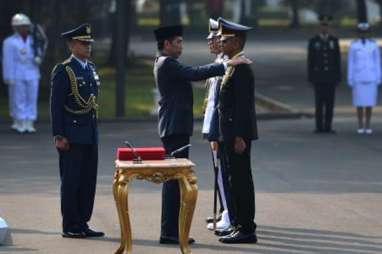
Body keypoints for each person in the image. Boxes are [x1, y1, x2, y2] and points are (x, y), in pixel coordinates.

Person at [153, 24, 250, 245]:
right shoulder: (166, 63)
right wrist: (226, 64)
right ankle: (169, 232)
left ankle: (172, 230)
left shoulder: (166, 62)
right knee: (174, 180)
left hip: (175, 127)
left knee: (177, 180)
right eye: (177, 42)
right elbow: (194, 74)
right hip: (174, 128)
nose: (181, 46)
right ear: (166, 44)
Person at [50, 23, 103, 238]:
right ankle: (70, 225)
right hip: (71, 135)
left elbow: (91, 102)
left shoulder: (90, 68)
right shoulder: (64, 70)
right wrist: (58, 134)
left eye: (89, 43)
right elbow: (56, 105)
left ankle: (82, 222)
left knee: (87, 180)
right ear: (72, 45)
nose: (88, 47)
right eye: (83, 43)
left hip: (89, 132)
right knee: (71, 181)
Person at [216, 17, 258, 244]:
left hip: (238, 135)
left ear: (238, 41)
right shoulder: (232, 64)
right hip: (230, 133)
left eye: (226, 39)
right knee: (234, 180)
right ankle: (239, 224)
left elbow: (243, 106)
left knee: (241, 181)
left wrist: (240, 135)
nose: (221, 43)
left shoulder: (241, 68)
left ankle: (247, 229)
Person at [202, 18, 232, 233]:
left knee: (223, 172)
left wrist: (215, 131)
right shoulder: (219, 62)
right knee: (218, 172)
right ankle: (225, 210)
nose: (210, 43)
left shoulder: (225, 64)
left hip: (219, 128)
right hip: (212, 125)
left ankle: (229, 212)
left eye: (213, 39)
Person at [2, 13, 41, 133]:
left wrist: (38, 58)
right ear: (15, 27)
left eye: (25, 26)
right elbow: (7, 61)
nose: (24, 28)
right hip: (17, 74)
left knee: (32, 98)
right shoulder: (9, 42)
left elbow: (39, 53)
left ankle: (30, 122)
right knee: (18, 98)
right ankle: (20, 122)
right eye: (21, 26)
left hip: (32, 73)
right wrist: (8, 76)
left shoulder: (33, 40)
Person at [307, 14, 341, 134]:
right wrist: (311, 78)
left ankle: (328, 126)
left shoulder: (334, 41)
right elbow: (310, 61)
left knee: (330, 103)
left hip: (331, 77)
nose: (324, 27)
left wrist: (338, 77)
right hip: (319, 78)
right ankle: (319, 126)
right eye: (322, 25)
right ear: (319, 26)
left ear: (329, 27)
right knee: (319, 103)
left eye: (326, 25)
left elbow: (337, 60)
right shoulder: (313, 41)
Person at [347, 23, 381, 135]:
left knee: (369, 103)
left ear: (368, 33)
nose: (363, 34)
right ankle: (360, 124)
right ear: (358, 33)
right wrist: (350, 78)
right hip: (358, 76)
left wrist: (379, 76)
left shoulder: (373, 45)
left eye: (365, 32)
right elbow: (351, 62)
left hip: (371, 76)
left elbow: (377, 62)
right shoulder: (353, 46)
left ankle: (368, 125)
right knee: (359, 103)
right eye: (361, 32)